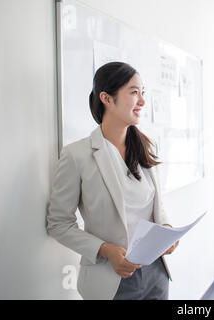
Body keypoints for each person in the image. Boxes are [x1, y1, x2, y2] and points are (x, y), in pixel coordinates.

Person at [46, 61, 179, 300]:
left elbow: (156, 207)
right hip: (111, 278)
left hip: (156, 272)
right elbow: (58, 224)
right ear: (106, 98)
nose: (142, 101)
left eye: (143, 93)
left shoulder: (146, 147)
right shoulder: (77, 155)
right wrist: (106, 250)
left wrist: (166, 229)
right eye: (134, 92)